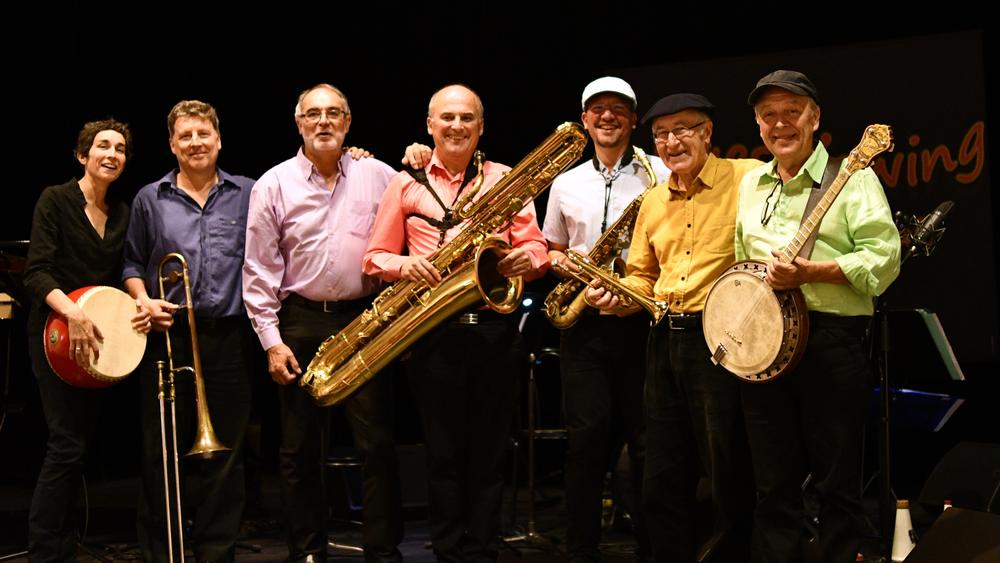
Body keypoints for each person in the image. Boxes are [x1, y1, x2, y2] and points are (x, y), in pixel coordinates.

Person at [363, 84, 548, 561]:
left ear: (481, 127)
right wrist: (405, 266)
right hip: (432, 332)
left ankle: (483, 547)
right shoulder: (405, 182)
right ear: (430, 125)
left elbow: (537, 245)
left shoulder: (505, 179)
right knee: (442, 451)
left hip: (493, 325)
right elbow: (374, 257)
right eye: (447, 118)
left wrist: (526, 260)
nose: (457, 126)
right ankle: (447, 548)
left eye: (467, 118)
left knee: (489, 450)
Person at [586, 93, 760, 562]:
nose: (671, 141)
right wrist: (618, 295)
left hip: (722, 335)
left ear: (707, 133)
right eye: (661, 133)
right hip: (664, 336)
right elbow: (643, 276)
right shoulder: (653, 200)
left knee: (728, 469)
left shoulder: (747, 178)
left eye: (683, 129)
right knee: (662, 472)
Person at [735, 70, 899, 563]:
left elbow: (883, 258)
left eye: (791, 112)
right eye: (768, 115)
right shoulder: (751, 184)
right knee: (772, 484)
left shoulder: (854, 177)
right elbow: (740, 262)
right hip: (763, 343)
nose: (779, 124)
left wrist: (813, 272)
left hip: (830, 341)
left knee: (837, 484)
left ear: (815, 117)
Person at [242, 83, 403, 563]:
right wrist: (271, 342)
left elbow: (413, 229)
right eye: (313, 114)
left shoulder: (380, 174)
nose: (324, 121)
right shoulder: (272, 184)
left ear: (348, 122)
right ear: (299, 124)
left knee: (377, 444)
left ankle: (381, 550)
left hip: (366, 319)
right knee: (298, 450)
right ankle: (308, 551)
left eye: (334, 113)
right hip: (301, 322)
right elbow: (259, 270)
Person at [122, 100, 256, 562]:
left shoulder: (249, 192)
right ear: (172, 145)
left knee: (226, 455)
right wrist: (143, 298)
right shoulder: (149, 197)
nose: (196, 142)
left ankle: (217, 552)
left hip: (230, 338)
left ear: (218, 139)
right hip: (166, 337)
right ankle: (164, 553)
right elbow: (132, 263)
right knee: (161, 452)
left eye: (203, 133)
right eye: (186, 136)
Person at [542, 76, 669, 562]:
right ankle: (581, 551)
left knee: (648, 443)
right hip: (585, 324)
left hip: (644, 322)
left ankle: (654, 550)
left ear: (635, 119)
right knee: (587, 444)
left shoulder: (658, 170)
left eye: (619, 109)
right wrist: (564, 263)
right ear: (585, 120)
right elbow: (551, 249)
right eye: (598, 109)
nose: (608, 116)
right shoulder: (565, 182)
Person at [23, 119, 151, 560]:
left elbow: (124, 273)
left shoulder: (123, 213)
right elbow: (36, 271)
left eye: (120, 148)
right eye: (102, 146)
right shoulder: (55, 200)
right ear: (83, 155)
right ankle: (44, 549)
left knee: (79, 448)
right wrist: (73, 311)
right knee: (65, 445)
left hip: (97, 341)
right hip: (57, 333)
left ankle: (65, 542)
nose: (112, 154)